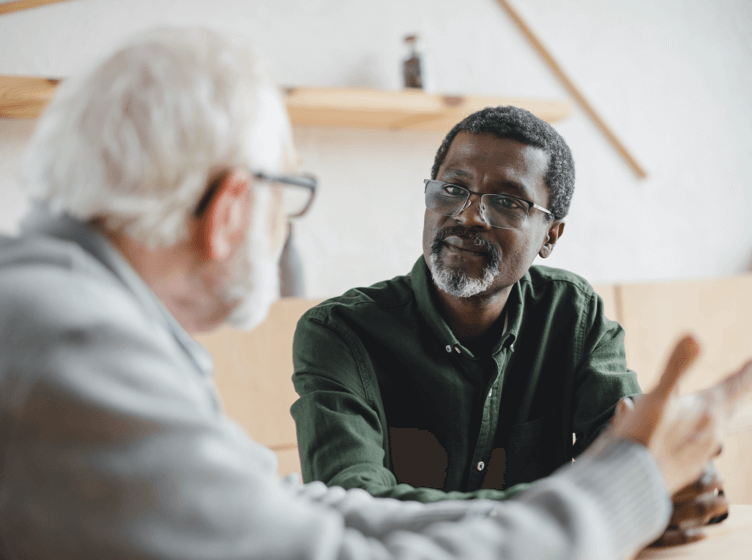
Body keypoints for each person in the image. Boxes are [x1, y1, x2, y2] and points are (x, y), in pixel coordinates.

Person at [0, 27, 749, 560]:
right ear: (232, 209)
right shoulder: (70, 346)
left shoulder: (68, 316)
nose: (468, 214)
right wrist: (624, 494)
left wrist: (641, 481)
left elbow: (293, 507)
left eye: (508, 202)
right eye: (289, 191)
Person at [290, 106, 728, 542]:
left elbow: (635, 456)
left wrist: (681, 476)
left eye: (506, 202)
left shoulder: (574, 316)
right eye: (452, 189)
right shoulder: (340, 333)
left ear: (550, 236)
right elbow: (351, 505)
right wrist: (599, 506)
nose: (468, 216)